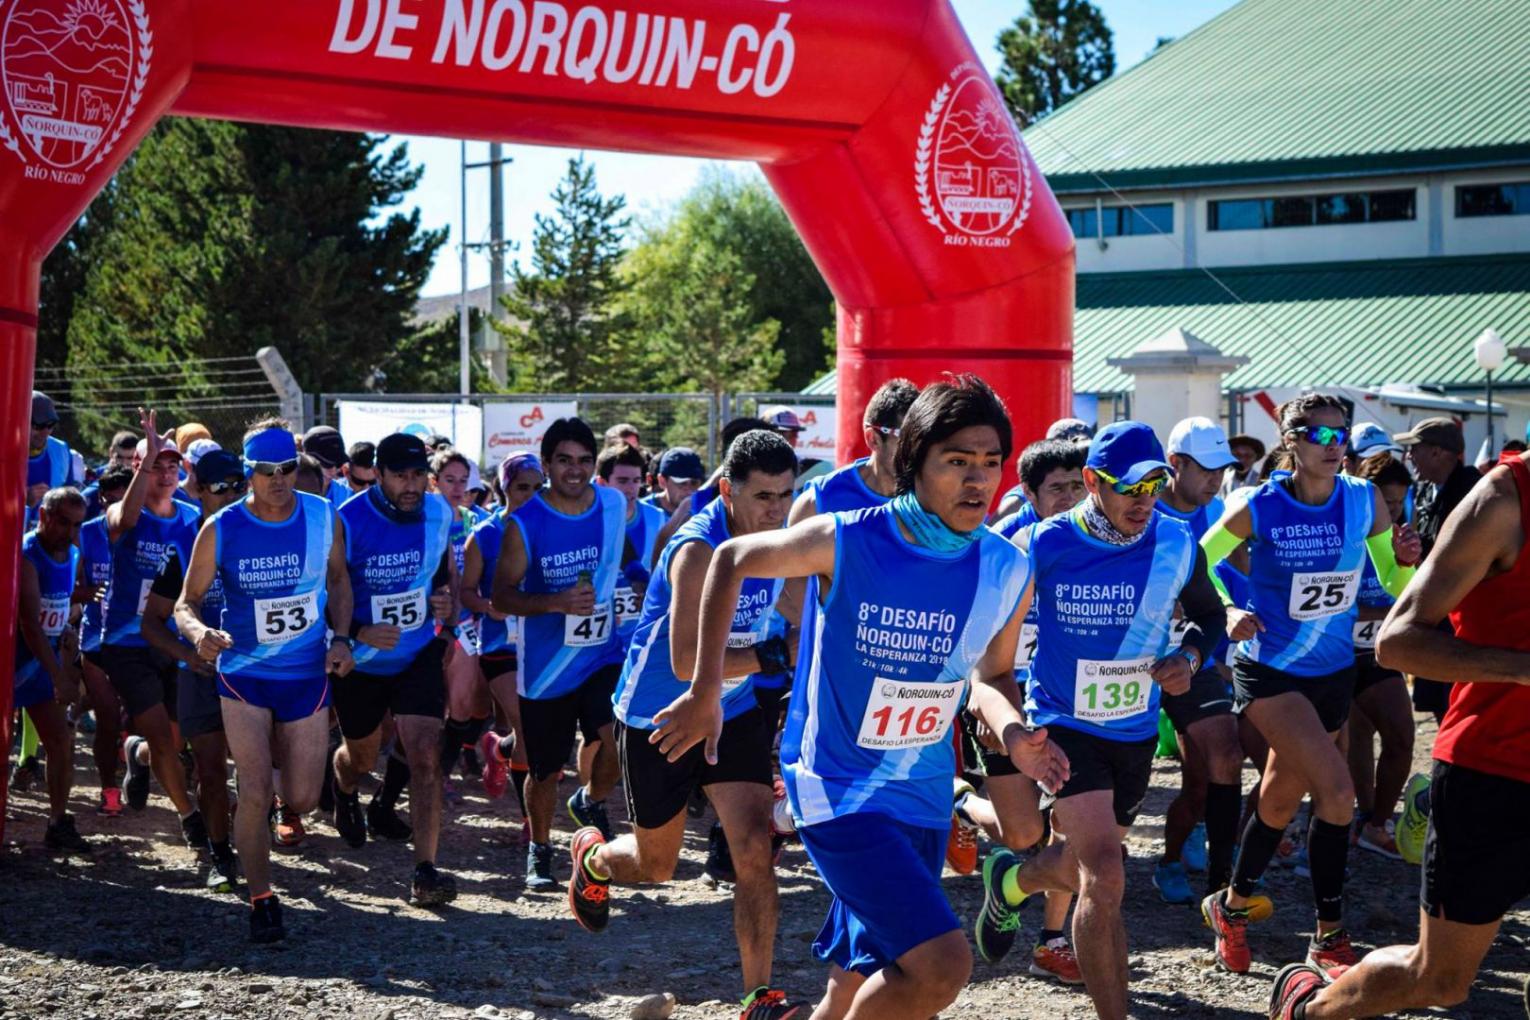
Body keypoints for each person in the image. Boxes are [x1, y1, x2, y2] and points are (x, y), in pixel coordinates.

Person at [651, 376, 1069, 1020]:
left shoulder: (1005, 565)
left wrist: (1014, 734)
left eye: (990, 463)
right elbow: (730, 559)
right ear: (913, 464)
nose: (978, 480)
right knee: (941, 965)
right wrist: (707, 691)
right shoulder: (846, 536)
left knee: (864, 977)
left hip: (924, 792)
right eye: (956, 462)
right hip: (836, 787)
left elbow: (992, 676)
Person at [1268, 448, 1530, 1019]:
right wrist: (1521, 667)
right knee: (1439, 980)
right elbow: (1398, 642)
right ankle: (1307, 1010)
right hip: (1497, 774)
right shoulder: (1503, 498)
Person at [978, 422, 1227, 1020]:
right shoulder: (1042, 543)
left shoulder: (1176, 542)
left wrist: (1189, 657)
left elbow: (1209, 617)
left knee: (1083, 863)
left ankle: (1012, 882)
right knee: (1107, 876)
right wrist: (1004, 716)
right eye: (1127, 488)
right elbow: (991, 643)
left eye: (1154, 485)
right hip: (1063, 721)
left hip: (1134, 730)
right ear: (1092, 482)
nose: (1143, 500)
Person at [572, 430, 799, 1020]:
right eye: (764, 497)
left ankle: (758, 998)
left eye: (786, 496)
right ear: (727, 490)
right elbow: (684, 664)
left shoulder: (781, 540)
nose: (776, 511)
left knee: (753, 849)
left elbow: (799, 613)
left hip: (738, 708)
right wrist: (779, 657)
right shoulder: (697, 550)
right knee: (658, 866)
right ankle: (593, 859)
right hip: (661, 714)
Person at [1199, 395, 1421, 976]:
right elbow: (1203, 561)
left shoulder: (1362, 499)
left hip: (1332, 672)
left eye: (1340, 435)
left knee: (1277, 799)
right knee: (1338, 793)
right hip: (1270, 671)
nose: (1334, 446)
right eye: (1320, 436)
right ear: (1290, 439)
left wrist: (1402, 561)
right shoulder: (1260, 504)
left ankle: (1232, 906)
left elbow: (1394, 583)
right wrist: (1227, 611)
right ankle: (1329, 937)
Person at [174, 419, 355, 942]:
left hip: (305, 675)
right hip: (245, 676)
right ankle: (262, 899)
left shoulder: (323, 516)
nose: (278, 480)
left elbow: (340, 580)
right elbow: (187, 602)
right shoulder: (222, 527)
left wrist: (341, 638)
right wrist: (200, 631)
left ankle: (274, 796)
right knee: (253, 791)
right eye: (265, 471)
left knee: (303, 799)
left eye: (287, 469)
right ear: (248, 472)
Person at [491, 418, 628, 889]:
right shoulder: (524, 523)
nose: (575, 470)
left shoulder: (612, 503)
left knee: (620, 742)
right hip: (547, 668)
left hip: (601, 654)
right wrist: (554, 601)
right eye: (564, 461)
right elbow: (502, 597)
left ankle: (590, 800)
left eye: (585, 461)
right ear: (546, 464)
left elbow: (620, 562)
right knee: (545, 770)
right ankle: (540, 848)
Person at [973, 437, 1088, 986]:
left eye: (1075, 485)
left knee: (1070, 824)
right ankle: (961, 803)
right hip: (1009, 706)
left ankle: (1052, 940)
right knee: (1022, 836)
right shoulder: (1002, 546)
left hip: (1070, 707)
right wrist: (993, 709)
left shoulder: (1097, 541)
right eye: (1056, 489)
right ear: (1028, 493)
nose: (1069, 498)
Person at [330, 433, 459, 905]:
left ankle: (425, 870)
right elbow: (323, 595)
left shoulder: (439, 510)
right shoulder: (346, 520)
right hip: (361, 660)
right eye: (400, 476)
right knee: (361, 757)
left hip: (416, 651)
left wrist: (445, 607)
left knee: (425, 753)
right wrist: (359, 632)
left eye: (418, 475)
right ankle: (342, 786)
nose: (411, 486)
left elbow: (443, 575)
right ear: (378, 475)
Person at [139, 449, 248, 892]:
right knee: (210, 769)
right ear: (198, 490)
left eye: (238, 484)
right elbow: (151, 622)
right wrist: (189, 656)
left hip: (257, 674)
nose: (231, 494)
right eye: (219, 487)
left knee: (262, 769)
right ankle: (221, 854)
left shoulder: (263, 533)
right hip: (201, 675)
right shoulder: (183, 543)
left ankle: (256, 830)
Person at [1151, 417, 1247, 905]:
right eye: (1206, 469)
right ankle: (1168, 856)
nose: (1215, 479)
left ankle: (1221, 882)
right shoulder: (1140, 508)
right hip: (1126, 663)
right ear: (1176, 464)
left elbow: (1225, 584)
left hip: (1194, 657)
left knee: (1222, 760)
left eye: (1222, 469)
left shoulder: (1216, 515)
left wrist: (1225, 629)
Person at [100, 411, 202, 845]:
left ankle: (135, 756)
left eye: (171, 465)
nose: (164, 473)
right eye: (154, 465)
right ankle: (190, 816)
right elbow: (125, 520)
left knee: (174, 741)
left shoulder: (193, 518)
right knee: (162, 734)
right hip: (128, 642)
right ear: (137, 469)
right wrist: (147, 450)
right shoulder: (120, 514)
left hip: (173, 641)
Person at [1341, 454, 1416, 861]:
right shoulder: (1347, 529)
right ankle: (1358, 819)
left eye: (1399, 502)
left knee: (1402, 735)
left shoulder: (1401, 536)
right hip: (1334, 654)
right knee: (1352, 741)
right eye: (1386, 502)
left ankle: (1375, 823)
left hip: (1375, 654)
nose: (1393, 510)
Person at [466, 453, 543, 827]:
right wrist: (487, 606)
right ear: (504, 488)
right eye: (522, 487)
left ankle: (500, 747)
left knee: (534, 730)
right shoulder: (485, 535)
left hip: (543, 645)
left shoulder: (551, 530)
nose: (531, 495)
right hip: (500, 646)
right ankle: (531, 821)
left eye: (538, 488)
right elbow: (465, 591)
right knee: (528, 724)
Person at [13, 487, 91, 852]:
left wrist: (67, 651)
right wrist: (59, 675)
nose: (70, 531)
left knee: (60, 742)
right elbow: (29, 622)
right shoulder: (26, 554)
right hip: (15, 662)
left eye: (77, 524)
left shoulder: (72, 552)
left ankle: (58, 821)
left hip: (42, 666)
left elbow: (59, 609)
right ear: (43, 516)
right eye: (63, 522)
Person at [1393, 417, 1480, 723]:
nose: (1409, 456)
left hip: (1466, 617)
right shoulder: (1427, 491)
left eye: (1414, 448)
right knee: (1440, 700)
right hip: (1439, 611)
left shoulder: (1475, 492)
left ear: (1439, 453)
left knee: (1459, 702)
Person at [430, 449, 493, 799]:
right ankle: (427, 772)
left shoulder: (475, 522)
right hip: (426, 626)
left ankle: (443, 767)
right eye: (449, 480)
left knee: (463, 703)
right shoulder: (423, 519)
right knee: (430, 705)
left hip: (466, 624)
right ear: (434, 482)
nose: (457, 488)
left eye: (463, 481)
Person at [75, 464, 130, 815]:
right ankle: (109, 787)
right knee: (107, 719)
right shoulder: (85, 534)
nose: (122, 509)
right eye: (115, 501)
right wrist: (88, 591)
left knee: (138, 718)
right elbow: (67, 586)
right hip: (95, 640)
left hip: (140, 642)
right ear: (102, 500)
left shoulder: (150, 532)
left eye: (129, 500)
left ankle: (134, 758)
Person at [25, 391, 81, 531]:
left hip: (46, 543)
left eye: (50, 425)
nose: (45, 432)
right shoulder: (6, 453)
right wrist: (19, 501)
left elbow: (71, 504)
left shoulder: (60, 451)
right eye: (37, 426)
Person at [643, 447, 705, 516]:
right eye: (682, 483)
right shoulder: (640, 512)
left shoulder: (705, 513)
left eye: (694, 483)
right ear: (662, 481)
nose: (689, 490)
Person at [301, 425, 352, 505]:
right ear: (308, 459)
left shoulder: (347, 496)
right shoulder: (289, 494)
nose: (333, 471)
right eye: (327, 464)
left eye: (338, 464)